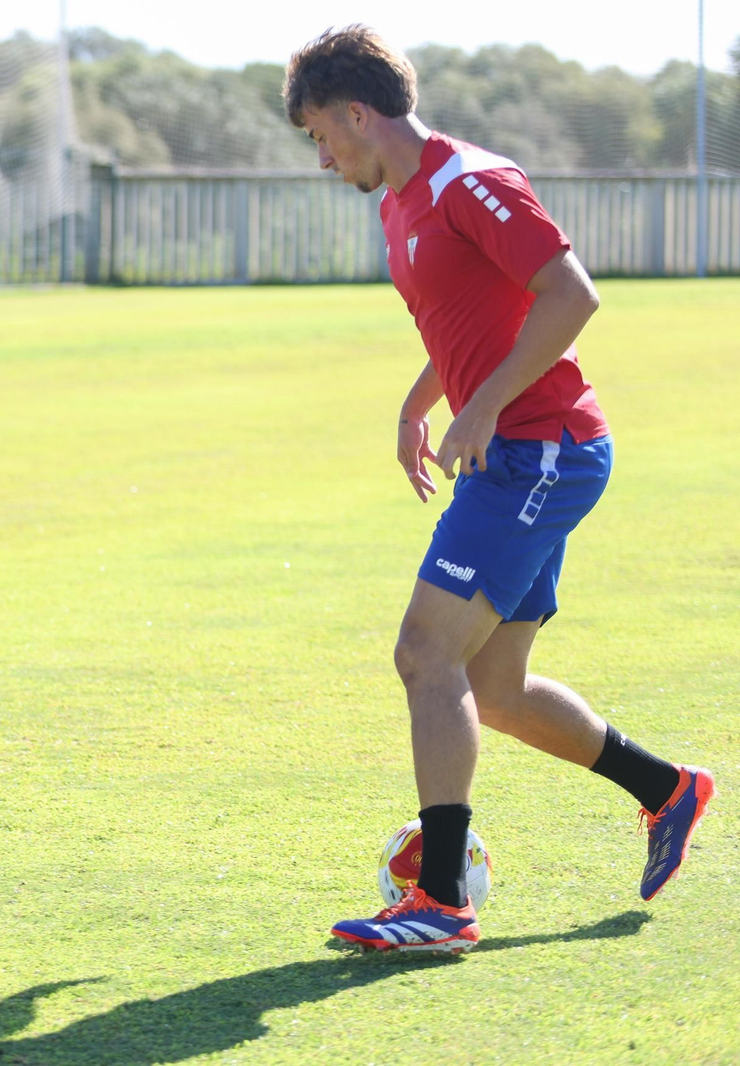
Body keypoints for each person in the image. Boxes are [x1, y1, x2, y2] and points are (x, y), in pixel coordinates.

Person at [281, 26, 715, 952]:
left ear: (359, 112)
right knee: (495, 686)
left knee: (424, 655)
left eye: (322, 135)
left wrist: (479, 408)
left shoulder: (470, 182)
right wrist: (418, 403)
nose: (322, 158)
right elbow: (470, 319)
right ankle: (668, 789)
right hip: (520, 450)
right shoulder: (400, 202)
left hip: (540, 449)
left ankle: (441, 903)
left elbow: (569, 294)